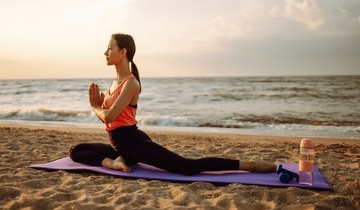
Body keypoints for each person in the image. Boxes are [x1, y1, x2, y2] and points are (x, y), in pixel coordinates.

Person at [69, 33, 277, 175]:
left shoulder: (131, 83)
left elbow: (110, 116)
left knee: (187, 167)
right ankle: (114, 162)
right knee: (76, 150)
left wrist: (95, 106)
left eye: (109, 48)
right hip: (120, 145)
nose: (105, 53)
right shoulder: (115, 82)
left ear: (123, 52)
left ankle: (249, 165)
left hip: (133, 143)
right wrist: (99, 108)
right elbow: (109, 120)